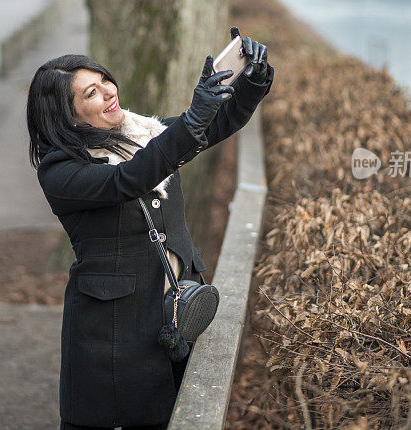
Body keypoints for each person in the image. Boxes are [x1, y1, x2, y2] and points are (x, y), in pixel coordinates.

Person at [26, 28, 274, 429]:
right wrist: (192, 117)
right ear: (66, 116)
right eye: (90, 93)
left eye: (104, 80)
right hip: (115, 335)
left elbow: (216, 125)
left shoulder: (141, 135)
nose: (108, 91)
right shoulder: (61, 171)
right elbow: (128, 180)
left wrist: (254, 79)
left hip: (176, 312)